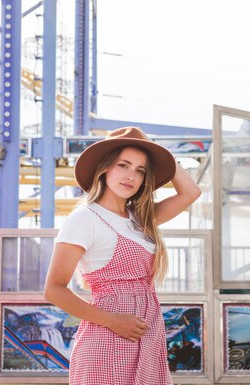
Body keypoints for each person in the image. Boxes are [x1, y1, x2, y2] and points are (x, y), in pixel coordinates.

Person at [43, 127, 202, 385]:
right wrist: (114, 321)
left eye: (140, 171)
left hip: (147, 339)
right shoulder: (85, 218)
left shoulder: (141, 219)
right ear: (104, 168)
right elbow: (53, 289)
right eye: (123, 166)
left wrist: (156, 149)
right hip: (107, 338)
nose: (131, 176)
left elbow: (191, 192)